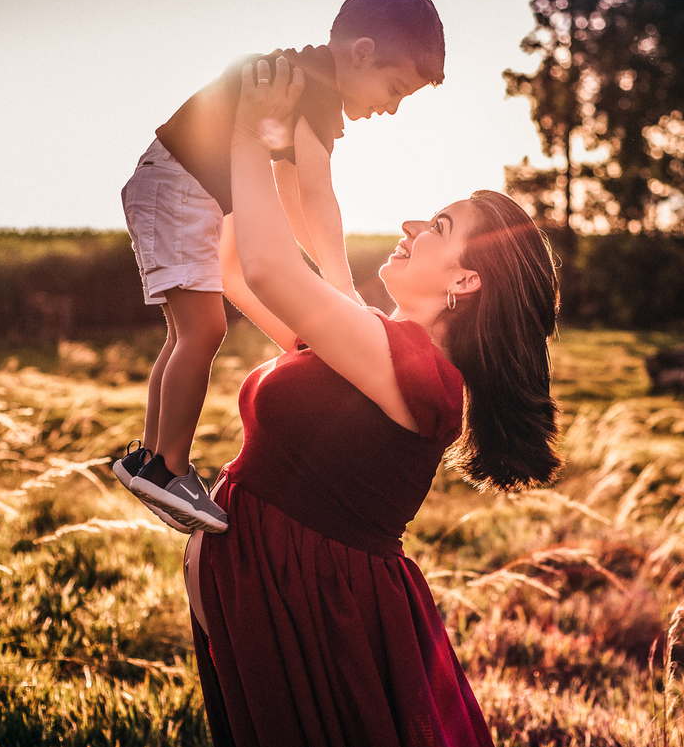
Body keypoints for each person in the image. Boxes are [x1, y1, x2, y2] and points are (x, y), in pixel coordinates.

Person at [183, 57, 563, 746]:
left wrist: (250, 129)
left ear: (467, 280)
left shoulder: (422, 372)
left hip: (313, 609)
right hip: (274, 598)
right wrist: (269, 147)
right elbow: (235, 272)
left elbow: (269, 266)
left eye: (440, 228)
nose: (414, 222)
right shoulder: (376, 342)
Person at [113, 0, 446, 534]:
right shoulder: (313, 91)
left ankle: (149, 461)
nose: (391, 106)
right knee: (201, 331)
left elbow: (291, 193)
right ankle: (167, 467)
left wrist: (323, 285)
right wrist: (344, 291)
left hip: (173, 185)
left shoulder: (304, 82)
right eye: (394, 88)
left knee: (184, 334)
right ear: (360, 53)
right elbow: (316, 195)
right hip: (178, 188)